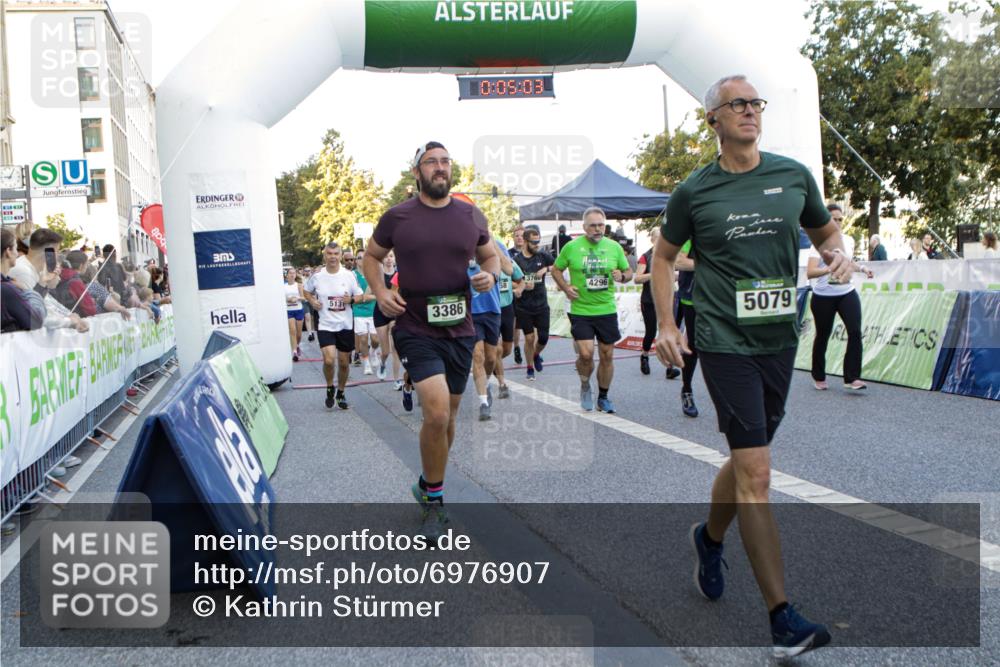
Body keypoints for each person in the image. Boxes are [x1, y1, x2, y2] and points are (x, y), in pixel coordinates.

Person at [650, 75, 858, 657]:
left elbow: (827, 233)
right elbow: (664, 259)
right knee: (758, 474)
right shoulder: (696, 191)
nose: (749, 111)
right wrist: (668, 325)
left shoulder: (792, 176)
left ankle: (709, 537)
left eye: (754, 103)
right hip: (721, 337)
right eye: (736, 104)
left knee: (749, 457)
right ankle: (781, 619)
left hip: (779, 337)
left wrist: (837, 254)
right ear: (712, 119)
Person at [363, 140, 499, 543]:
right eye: (431, 162)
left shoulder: (470, 214)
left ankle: (428, 483)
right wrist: (381, 291)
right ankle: (435, 506)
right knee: (436, 415)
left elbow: (490, 256)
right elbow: (370, 258)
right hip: (414, 324)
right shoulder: (398, 216)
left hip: (460, 326)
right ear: (417, 172)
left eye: (445, 162)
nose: (440, 168)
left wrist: (490, 275)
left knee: (450, 418)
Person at [551, 206, 632, 412]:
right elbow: (556, 269)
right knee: (586, 355)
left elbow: (628, 272)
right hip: (581, 309)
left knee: (607, 355)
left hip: (606, 309)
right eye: (593, 226)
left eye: (601, 225)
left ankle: (603, 397)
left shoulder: (614, 247)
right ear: (585, 227)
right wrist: (566, 288)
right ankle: (585, 385)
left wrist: (622, 276)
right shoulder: (571, 247)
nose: (598, 229)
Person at [807, 204, 874, 391]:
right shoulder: (817, 243)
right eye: (833, 219)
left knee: (854, 331)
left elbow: (848, 262)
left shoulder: (848, 240)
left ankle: (852, 378)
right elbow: (810, 272)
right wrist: (829, 269)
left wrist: (862, 269)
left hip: (846, 292)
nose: (837, 223)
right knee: (822, 335)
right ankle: (818, 376)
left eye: (840, 219)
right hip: (823, 296)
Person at [304, 242, 364, 410]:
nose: (332, 256)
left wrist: (350, 300)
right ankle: (330, 386)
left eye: (335, 253)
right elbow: (306, 291)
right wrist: (312, 301)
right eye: (329, 253)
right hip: (325, 323)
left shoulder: (348, 276)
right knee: (329, 360)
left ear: (340, 256)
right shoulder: (318, 276)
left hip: (344, 324)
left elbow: (359, 296)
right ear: (325, 255)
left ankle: (341, 391)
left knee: (344, 363)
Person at [470, 235, 513, 421]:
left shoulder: (496, 245)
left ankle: (485, 383)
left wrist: (491, 240)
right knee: (477, 355)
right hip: (470, 311)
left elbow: (509, 270)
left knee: (490, 356)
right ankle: (483, 402)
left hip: (492, 309)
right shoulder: (458, 242)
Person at [635, 228, 681, 381]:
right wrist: (654, 273)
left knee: (667, 331)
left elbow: (677, 273)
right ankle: (645, 355)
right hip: (649, 300)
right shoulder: (645, 257)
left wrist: (674, 276)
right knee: (650, 332)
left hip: (667, 299)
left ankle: (669, 367)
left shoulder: (670, 256)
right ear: (653, 239)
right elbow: (637, 278)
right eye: (659, 238)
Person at [512, 227, 554, 381]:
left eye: (538, 241)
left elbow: (559, 266)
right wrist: (520, 286)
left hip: (541, 304)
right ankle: (529, 368)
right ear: (525, 241)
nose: (537, 245)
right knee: (529, 338)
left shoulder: (543, 256)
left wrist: (546, 269)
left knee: (543, 338)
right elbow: (509, 281)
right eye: (534, 242)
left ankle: (536, 354)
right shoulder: (516, 260)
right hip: (524, 306)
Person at [493, 238, 525, 399]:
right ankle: (502, 384)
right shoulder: (484, 264)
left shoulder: (509, 262)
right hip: (490, 310)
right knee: (496, 349)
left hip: (507, 308)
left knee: (506, 349)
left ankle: (493, 364)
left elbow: (521, 280)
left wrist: (519, 288)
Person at [343, 249, 379, 375]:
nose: (361, 260)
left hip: (373, 310)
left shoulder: (373, 274)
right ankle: (367, 363)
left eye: (364, 257)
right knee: (363, 339)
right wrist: (359, 298)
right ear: (356, 261)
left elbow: (378, 293)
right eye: (358, 258)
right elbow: (349, 294)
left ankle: (373, 352)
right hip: (358, 311)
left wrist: (367, 297)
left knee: (375, 340)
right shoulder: (352, 275)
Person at [1, 228, 41, 332]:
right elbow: (36, 321)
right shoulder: (6, 289)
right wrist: (29, 291)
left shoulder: (7, 284)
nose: (17, 253)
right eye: (16, 248)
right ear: (8, 251)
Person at [373, 252, 403, 389]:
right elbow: (369, 293)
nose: (389, 259)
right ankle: (383, 363)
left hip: (395, 313)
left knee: (396, 348)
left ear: (395, 258)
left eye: (391, 256)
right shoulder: (378, 276)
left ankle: (397, 379)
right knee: (385, 351)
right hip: (380, 313)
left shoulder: (400, 274)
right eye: (386, 256)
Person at [510, 225, 526, 364]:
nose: (520, 238)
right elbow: (506, 279)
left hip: (532, 296)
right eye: (517, 235)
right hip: (515, 294)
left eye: (522, 235)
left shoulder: (533, 252)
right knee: (516, 326)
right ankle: (516, 347)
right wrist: (518, 286)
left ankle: (534, 352)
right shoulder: (508, 254)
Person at [285, 267, 305, 361]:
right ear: (287, 275)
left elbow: (303, 298)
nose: (292, 275)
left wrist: (296, 298)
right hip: (289, 310)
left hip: (298, 309)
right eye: (290, 273)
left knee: (299, 334)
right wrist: (288, 299)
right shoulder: (283, 286)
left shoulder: (299, 285)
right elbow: (280, 298)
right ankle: (294, 352)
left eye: (294, 273)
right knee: (292, 331)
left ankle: (297, 345)